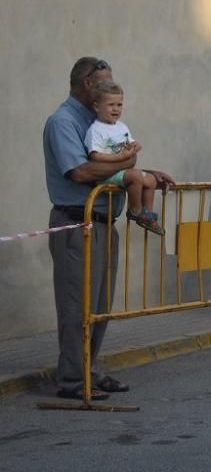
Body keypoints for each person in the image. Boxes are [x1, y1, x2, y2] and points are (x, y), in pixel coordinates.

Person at [43, 57, 175, 401]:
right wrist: (129, 163)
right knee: (77, 306)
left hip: (103, 221)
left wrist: (143, 174)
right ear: (88, 84)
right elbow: (81, 172)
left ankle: (90, 370)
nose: (110, 92)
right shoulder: (64, 121)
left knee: (99, 304)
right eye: (104, 83)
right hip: (77, 222)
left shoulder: (99, 120)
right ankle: (72, 380)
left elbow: (114, 165)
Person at [84, 81, 163, 236]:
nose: (116, 109)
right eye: (111, 104)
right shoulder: (95, 130)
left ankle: (146, 213)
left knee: (151, 179)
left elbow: (129, 142)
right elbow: (95, 155)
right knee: (135, 176)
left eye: (119, 105)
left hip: (122, 171)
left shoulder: (121, 126)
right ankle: (135, 210)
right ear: (96, 107)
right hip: (107, 174)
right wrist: (120, 158)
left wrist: (135, 145)